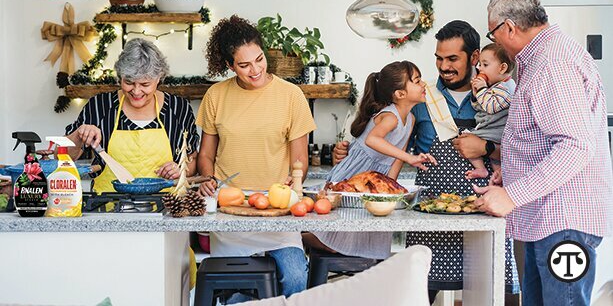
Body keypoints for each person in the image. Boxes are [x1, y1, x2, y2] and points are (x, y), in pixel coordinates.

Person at [334, 20, 519, 304]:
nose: (444, 66)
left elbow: (522, 154)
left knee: (496, 292)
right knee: (418, 292)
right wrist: (348, 160)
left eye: (452, 59)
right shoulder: (422, 98)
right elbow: (390, 147)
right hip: (431, 213)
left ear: (473, 58)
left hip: (485, 208)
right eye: (439, 58)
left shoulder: (499, 98)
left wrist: (486, 147)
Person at [474, 0, 613, 306]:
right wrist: (511, 174)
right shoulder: (543, 57)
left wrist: (512, 194)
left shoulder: (552, 62)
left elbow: (574, 146)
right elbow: (544, 138)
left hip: (564, 220)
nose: (495, 43)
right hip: (549, 216)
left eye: (493, 34)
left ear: (508, 27)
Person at [196, 15, 316, 301]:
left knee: (297, 276)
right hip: (231, 211)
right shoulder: (216, 96)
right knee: (236, 291)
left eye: (259, 59)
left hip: (277, 210)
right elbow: (206, 155)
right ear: (229, 66)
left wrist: (294, 177)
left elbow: (299, 161)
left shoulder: (291, 96)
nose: (255, 70)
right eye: (244, 65)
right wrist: (209, 179)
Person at [303, 60, 436, 259]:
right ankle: (303, 238)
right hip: (353, 175)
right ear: (400, 94)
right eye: (417, 81)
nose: (423, 84)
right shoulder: (390, 116)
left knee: (369, 242)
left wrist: (391, 189)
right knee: (337, 240)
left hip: (376, 179)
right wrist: (410, 157)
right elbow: (374, 140)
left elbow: (397, 157)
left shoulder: (411, 119)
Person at [65, 38, 200, 192]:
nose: (136, 91)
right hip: (108, 207)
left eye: (145, 84)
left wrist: (180, 169)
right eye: (129, 82)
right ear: (120, 77)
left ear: (158, 79)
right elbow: (61, 158)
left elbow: (193, 160)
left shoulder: (178, 108)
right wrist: (79, 134)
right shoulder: (99, 106)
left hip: (166, 208)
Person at [464, 43, 515, 180]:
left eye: (485, 64)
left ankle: (481, 169)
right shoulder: (495, 86)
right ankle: (497, 175)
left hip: (496, 132)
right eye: (479, 64)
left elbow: (490, 107)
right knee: (495, 162)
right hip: (492, 130)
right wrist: (476, 95)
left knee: (464, 138)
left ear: (502, 67)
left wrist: (482, 89)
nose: (479, 68)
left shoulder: (506, 88)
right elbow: (479, 107)